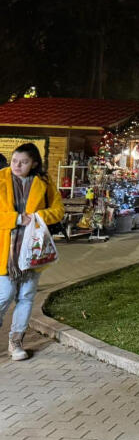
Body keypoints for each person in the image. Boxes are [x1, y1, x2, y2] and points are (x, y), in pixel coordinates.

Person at [0, 143, 64, 360]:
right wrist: (17, 218)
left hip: (32, 250)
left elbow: (58, 211)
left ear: (34, 163)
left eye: (24, 162)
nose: (17, 165)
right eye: (14, 160)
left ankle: (15, 341)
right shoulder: (1, 178)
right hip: (4, 251)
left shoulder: (44, 183)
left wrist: (37, 218)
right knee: (4, 295)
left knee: (26, 297)